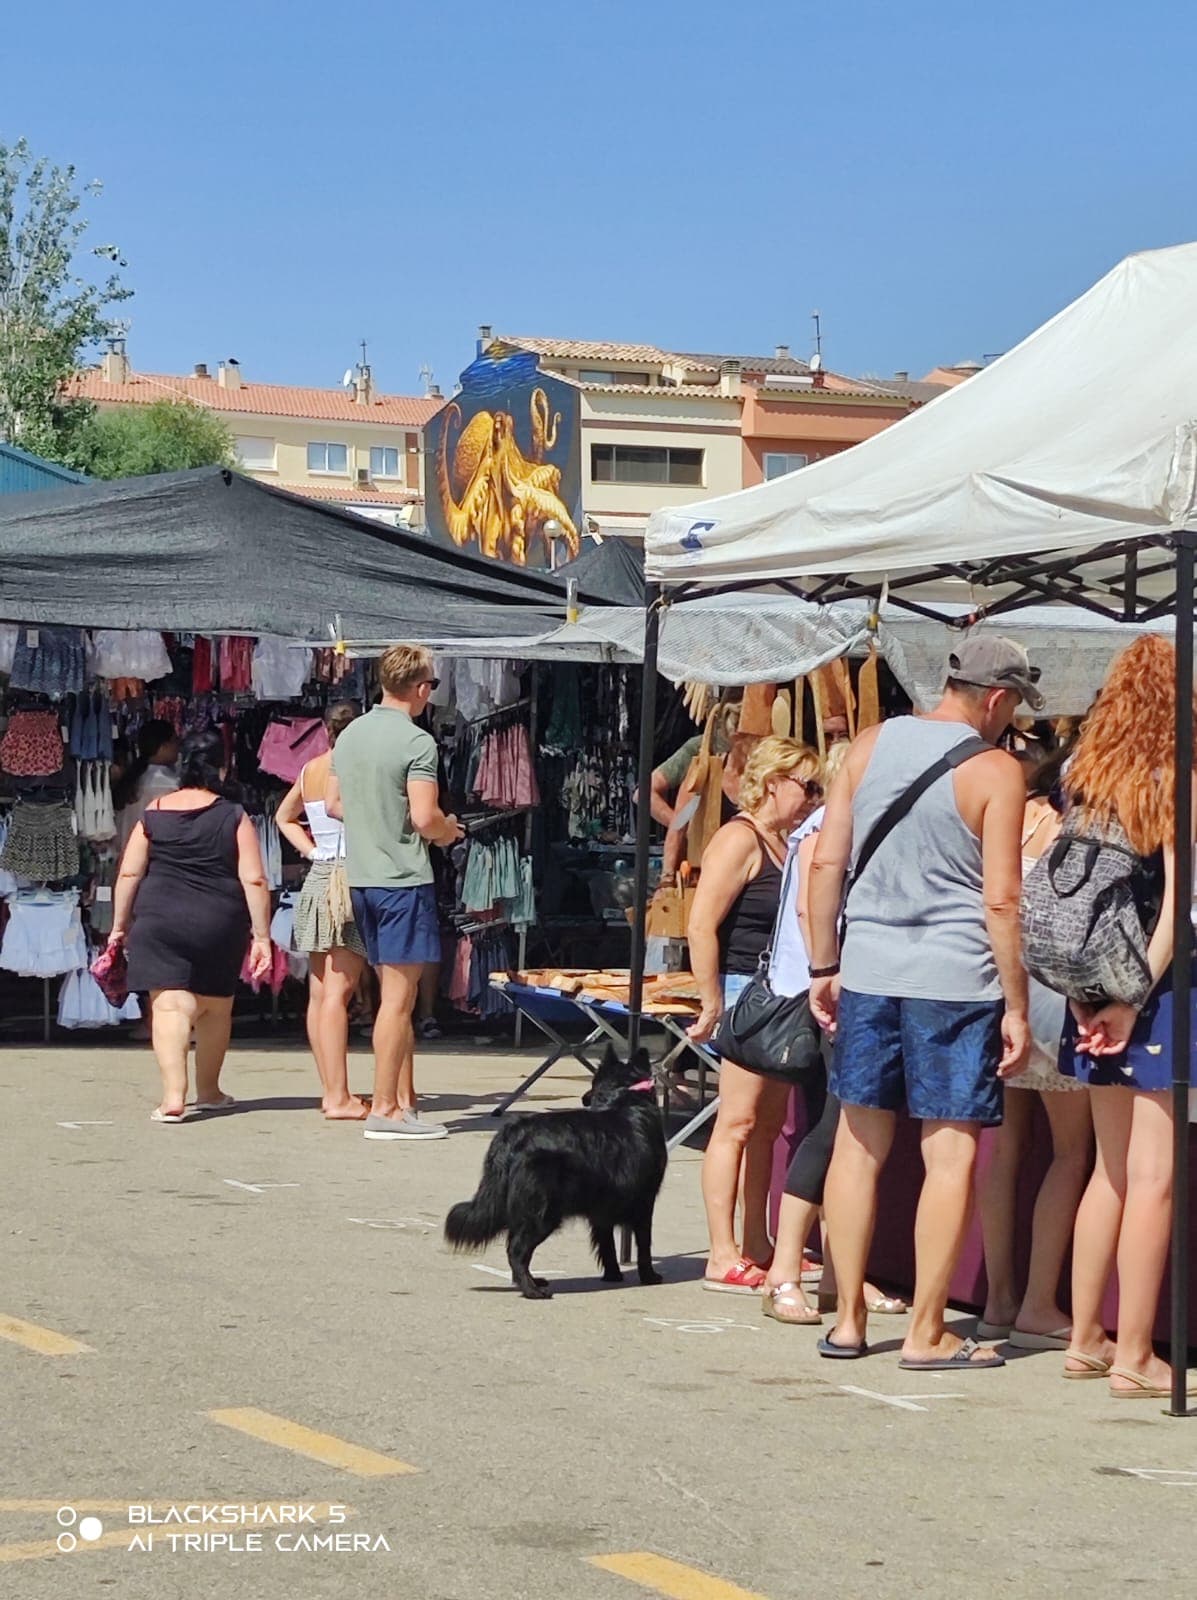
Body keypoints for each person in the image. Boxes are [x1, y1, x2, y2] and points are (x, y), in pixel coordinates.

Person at [807, 637, 1038, 1369]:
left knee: (857, 1144)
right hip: (955, 978)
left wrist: (822, 961)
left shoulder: (870, 744)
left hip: (869, 967)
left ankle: (846, 1319)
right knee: (949, 1153)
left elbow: (825, 859)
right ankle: (925, 1331)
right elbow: (1000, 899)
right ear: (996, 698)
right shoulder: (996, 770)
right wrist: (1017, 1003)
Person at [1057, 637, 1197, 1398]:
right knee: (1153, 1177)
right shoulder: (1175, 778)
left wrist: (1093, 998)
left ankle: (1084, 1337)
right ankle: (1135, 1353)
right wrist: (1132, 1000)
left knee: (1108, 1172)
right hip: (1154, 994)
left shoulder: (1082, 777)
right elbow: (1177, 908)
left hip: (1085, 983)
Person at [759, 741, 909, 1325]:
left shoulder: (850, 825)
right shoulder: (825, 830)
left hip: (854, 987)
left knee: (846, 1132)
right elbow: (810, 908)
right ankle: (785, 1272)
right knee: (831, 1128)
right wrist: (831, 970)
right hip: (831, 992)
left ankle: (842, 1275)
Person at [686, 737, 825, 1291]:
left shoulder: (785, 841)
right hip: (746, 992)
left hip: (773, 991)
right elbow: (701, 924)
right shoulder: (738, 838)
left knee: (768, 1127)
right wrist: (711, 998)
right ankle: (721, 1252)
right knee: (737, 1124)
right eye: (807, 786)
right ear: (773, 783)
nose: (814, 797)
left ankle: (760, 1242)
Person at [976, 744, 1093, 1347]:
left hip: (993, 984)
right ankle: (1039, 1303)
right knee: (1071, 1152)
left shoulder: (1011, 813)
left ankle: (998, 1298)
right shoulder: (1082, 827)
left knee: (1005, 1146)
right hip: (1050, 994)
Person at [325, 644, 463, 1142]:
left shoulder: (351, 734)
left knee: (388, 996)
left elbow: (334, 804)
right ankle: (386, 1107)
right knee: (398, 1002)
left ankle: (400, 1104)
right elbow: (426, 819)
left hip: (362, 877)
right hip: (403, 879)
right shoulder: (417, 742)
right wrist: (448, 830)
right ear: (421, 687)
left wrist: (376, 815)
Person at [110, 729, 272, 1122]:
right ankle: (210, 1091)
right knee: (216, 1008)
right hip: (219, 921)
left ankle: (172, 1098)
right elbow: (254, 879)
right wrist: (262, 936)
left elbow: (130, 873)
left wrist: (118, 926)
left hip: (160, 919)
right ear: (222, 766)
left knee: (169, 1005)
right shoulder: (233, 815)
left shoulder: (154, 812)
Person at [275, 703, 370, 1121]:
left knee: (319, 992)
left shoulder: (311, 768)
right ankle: (338, 1096)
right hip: (349, 874)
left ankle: (330, 1087)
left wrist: (312, 850)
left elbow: (284, 816)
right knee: (339, 991)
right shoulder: (352, 770)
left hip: (319, 875)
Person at [662, 732, 761, 881]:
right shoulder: (705, 775)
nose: (758, 745)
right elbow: (679, 825)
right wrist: (667, 878)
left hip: (751, 872)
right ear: (735, 738)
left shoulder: (762, 779)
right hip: (706, 874)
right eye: (752, 739)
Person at [114, 719, 180, 848]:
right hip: (147, 858)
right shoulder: (165, 784)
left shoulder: (133, 777)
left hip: (124, 853)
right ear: (163, 746)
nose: (178, 746)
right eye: (175, 741)